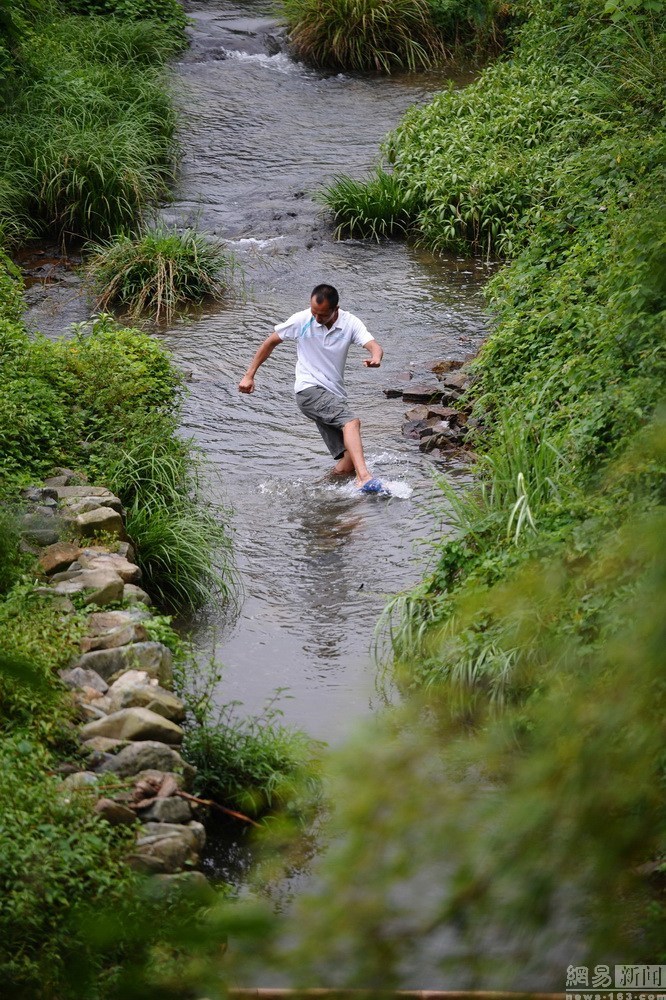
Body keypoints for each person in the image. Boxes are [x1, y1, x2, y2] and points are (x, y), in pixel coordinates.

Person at [238, 283, 388, 494]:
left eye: (322, 315)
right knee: (351, 422)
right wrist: (249, 375)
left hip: (333, 395)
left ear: (336, 309)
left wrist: (375, 357)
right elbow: (270, 342)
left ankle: (319, 491)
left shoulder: (350, 323)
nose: (316, 318)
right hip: (308, 391)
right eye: (314, 312)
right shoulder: (302, 320)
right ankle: (365, 478)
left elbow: (374, 346)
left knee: (349, 460)